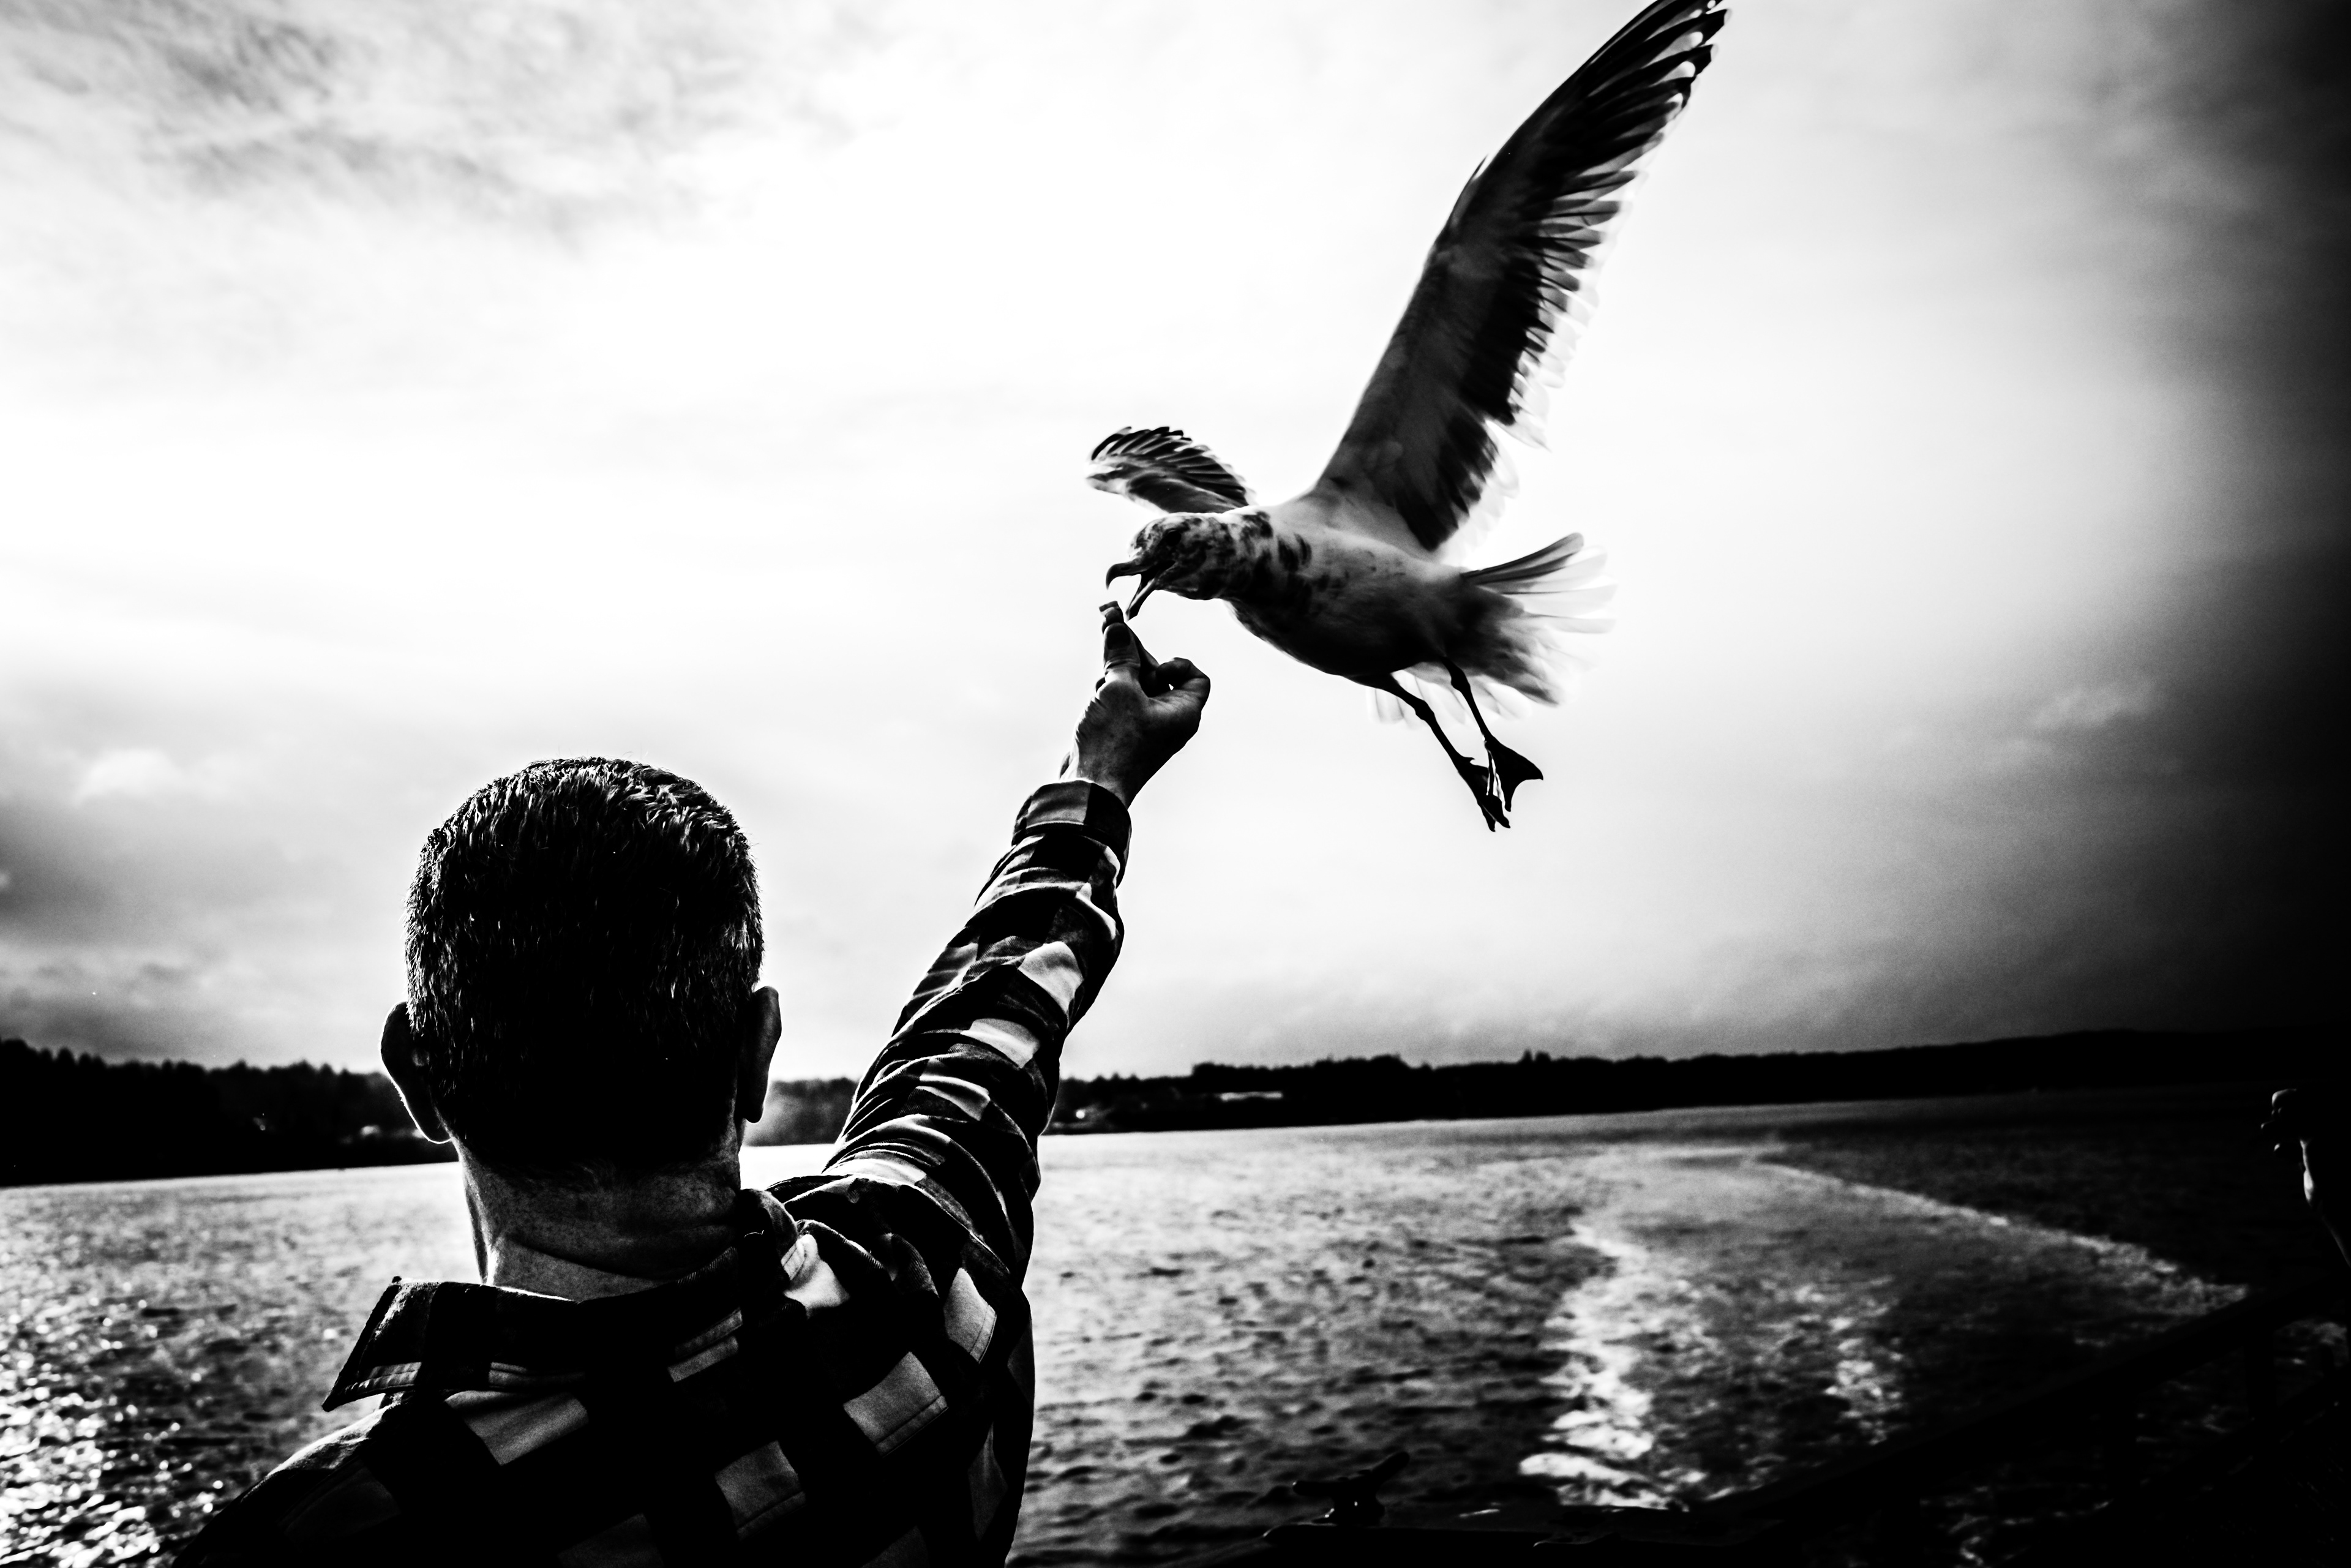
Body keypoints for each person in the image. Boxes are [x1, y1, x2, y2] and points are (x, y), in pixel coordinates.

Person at [176, 607, 1210, 1567]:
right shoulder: (926, 1281)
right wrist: (1099, 772)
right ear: (758, 1052)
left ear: (418, 1077)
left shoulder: (350, 1530)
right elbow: (988, 1022)